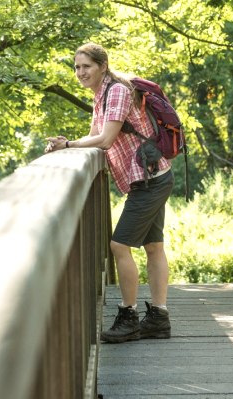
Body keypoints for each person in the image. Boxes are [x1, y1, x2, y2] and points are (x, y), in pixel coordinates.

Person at [45, 42, 174, 343]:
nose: (80, 72)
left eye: (86, 66)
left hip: (150, 179)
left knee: (119, 246)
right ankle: (158, 318)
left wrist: (68, 146)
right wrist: (68, 142)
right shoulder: (101, 94)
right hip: (150, 177)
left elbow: (105, 140)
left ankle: (129, 317)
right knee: (153, 246)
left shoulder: (116, 91)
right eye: (77, 67)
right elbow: (94, 136)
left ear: (102, 66)